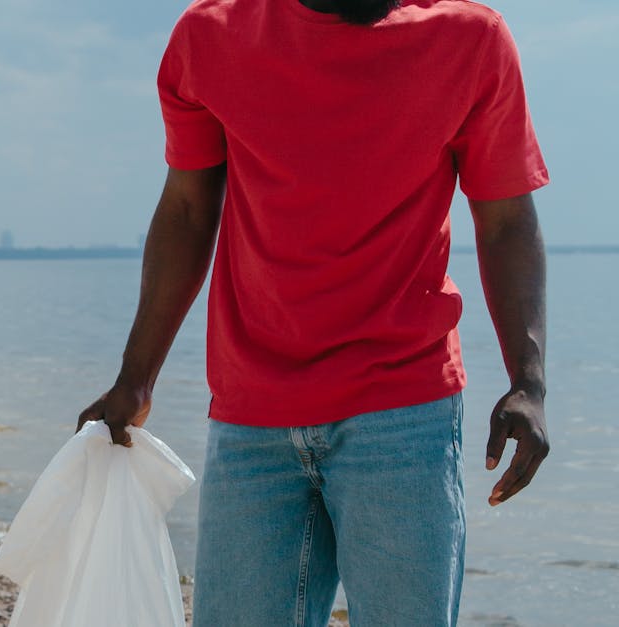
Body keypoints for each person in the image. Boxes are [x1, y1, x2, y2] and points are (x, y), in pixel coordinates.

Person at [78, 1, 550, 625]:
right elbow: (189, 210)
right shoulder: (211, 36)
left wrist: (529, 381)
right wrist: (136, 376)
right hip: (252, 417)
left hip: (403, 413)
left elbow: (506, 218)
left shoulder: (468, 40)